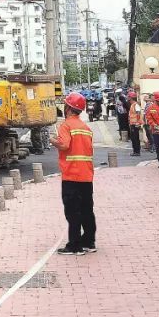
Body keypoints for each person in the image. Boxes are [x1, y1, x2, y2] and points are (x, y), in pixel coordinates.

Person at [51, 91, 96, 255]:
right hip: (86, 174)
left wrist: (53, 141)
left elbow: (64, 145)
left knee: (72, 211)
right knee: (87, 209)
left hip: (71, 174)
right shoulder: (85, 127)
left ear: (68, 108)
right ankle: (89, 242)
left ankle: (74, 245)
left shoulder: (66, 125)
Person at [126, 90, 142, 156]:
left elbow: (138, 113)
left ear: (131, 98)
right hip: (133, 124)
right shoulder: (133, 105)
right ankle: (135, 151)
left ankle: (136, 151)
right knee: (134, 138)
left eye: (128, 97)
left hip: (135, 125)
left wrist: (138, 122)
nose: (127, 98)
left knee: (135, 138)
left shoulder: (135, 105)